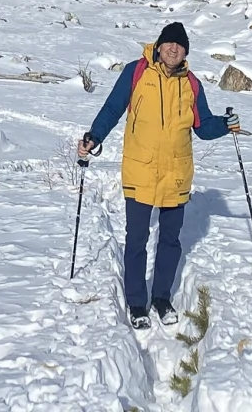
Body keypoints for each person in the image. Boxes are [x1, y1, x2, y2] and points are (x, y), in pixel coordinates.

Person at [79, 21, 239, 329]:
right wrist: (94, 136)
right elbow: (113, 108)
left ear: (185, 52)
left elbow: (202, 126)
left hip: (176, 172)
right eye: (169, 43)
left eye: (179, 45)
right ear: (159, 45)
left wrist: (224, 124)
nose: (173, 48)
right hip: (140, 168)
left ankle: (162, 297)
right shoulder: (136, 72)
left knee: (170, 240)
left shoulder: (191, 83)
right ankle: (137, 301)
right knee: (137, 238)